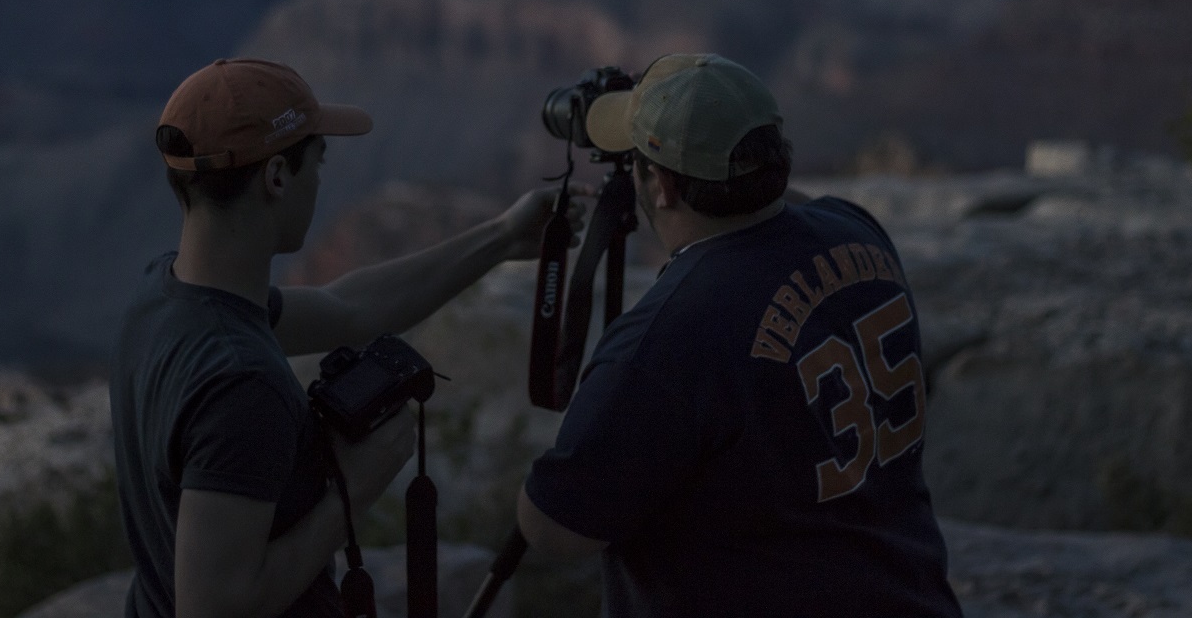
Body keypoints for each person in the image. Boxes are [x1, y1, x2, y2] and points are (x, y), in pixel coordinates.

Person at [111, 58, 583, 618]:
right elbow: (212, 609)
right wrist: (353, 490)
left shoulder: (165, 296)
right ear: (277, 177)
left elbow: (352, 309)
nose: (319, 182)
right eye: (318, 162)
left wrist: (503, 237)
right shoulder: (242, 383)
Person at [517, 53, 963, 618]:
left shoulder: (668, 337)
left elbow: (552, 528)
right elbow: (778, 212)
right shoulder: (857, 231)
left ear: (662, 185)